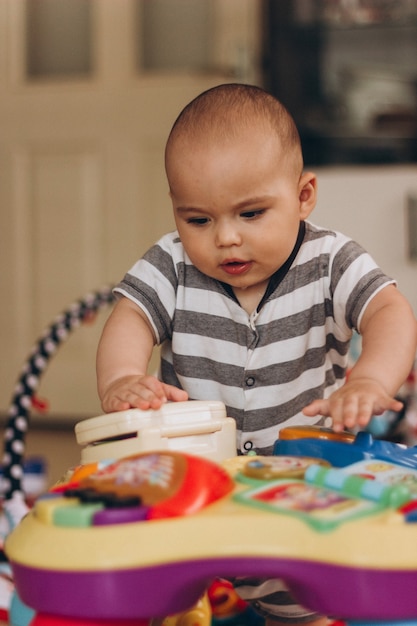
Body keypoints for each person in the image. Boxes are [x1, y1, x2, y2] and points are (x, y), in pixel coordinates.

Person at [96, 83, 417, 625]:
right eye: (197, 219)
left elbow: (388, 311)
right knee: (157, 593)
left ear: (303, 195)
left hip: (297, 489)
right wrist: (123, 376)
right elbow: (129, 318)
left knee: (301, 607)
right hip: (190, 486)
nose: (225, 238)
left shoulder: (330, 261)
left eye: (250, 214)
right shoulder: (171, 265)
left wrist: (369, 380)